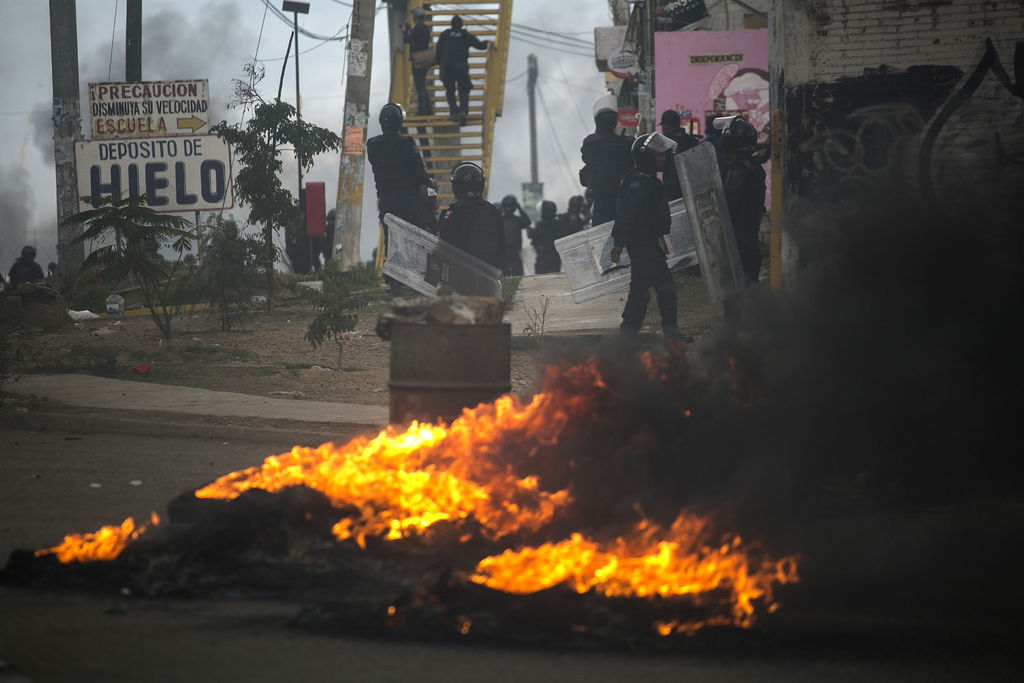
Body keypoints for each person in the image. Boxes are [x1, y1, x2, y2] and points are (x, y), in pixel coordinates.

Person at [609, 132, 682, 339]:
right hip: (642, 245)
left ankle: (629, 333)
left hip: (649, 244)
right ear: (646, 156)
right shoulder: (638, 182)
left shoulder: (646, 180)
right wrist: (619, 242)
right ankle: (666, 332)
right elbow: (626, 213)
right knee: (663, 287)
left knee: (642, 291)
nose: (663, 159)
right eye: (659, 155)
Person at [366, 103, 435, 233]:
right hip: (408, 204)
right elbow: (419, 173)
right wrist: (430, 182)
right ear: (398, 122)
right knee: (412, 238)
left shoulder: (372, 145)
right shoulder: (407, 144)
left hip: (385, 202)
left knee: (390, 239)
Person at [715, 115, 766, 287]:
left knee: (737, 292)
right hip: (750, 240)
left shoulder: (737, 170)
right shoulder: (755, 168)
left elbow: (728, 207)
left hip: (738, 244)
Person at [438, 162, 505, 270]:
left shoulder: (454, 212)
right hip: (488, 274)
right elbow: (502, 247)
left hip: (460, 273)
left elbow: (443, 247)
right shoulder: (493, 212)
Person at [580, 103, 634, 226]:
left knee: (601, 231)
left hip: (603, 200)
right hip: (625, 196)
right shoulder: (626, 143)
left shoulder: (592, 143)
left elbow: (585, 157)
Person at [435, 15, 490, 126]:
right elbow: (479, 45)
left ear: (451, 25)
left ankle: (454, 111)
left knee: (450, 91)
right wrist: (489, 43)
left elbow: (438, 52)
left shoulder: (445, 35)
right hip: (462, 67)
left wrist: (441, 65)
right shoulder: (466, 35)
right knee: (464, 91)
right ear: (461, 25)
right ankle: (463, 111)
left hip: (448, 68)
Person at [658, 109, 700, 201]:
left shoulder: (668, 143)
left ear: (666, 125)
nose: (662, 129)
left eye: (662, 126)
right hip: (693, 190)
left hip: (674, 193)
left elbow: (671, 170)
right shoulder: (690, 140)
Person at [402, 6, 434, 116]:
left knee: (420, 86)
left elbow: (407, 40)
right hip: (424, 59)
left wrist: (405, 31)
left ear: (415, 17)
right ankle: (429, 109)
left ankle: (422, 110)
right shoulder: (425, 28)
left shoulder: (417, 28)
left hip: (417, 59)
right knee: (422, 85)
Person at [498, 194, 530, 276]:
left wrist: (519, 208)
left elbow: (527, 222)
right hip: (505, 249)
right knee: (509, 272)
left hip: (512, 250)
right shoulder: (500, 219)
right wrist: (519, 208)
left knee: (514, 272)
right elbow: (527, 221)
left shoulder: (502, 220)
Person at [530, 200, 564, 274]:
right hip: (554, 256)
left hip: (545, 256)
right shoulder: (558, 223)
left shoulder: (542, 225)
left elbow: (532, 236)